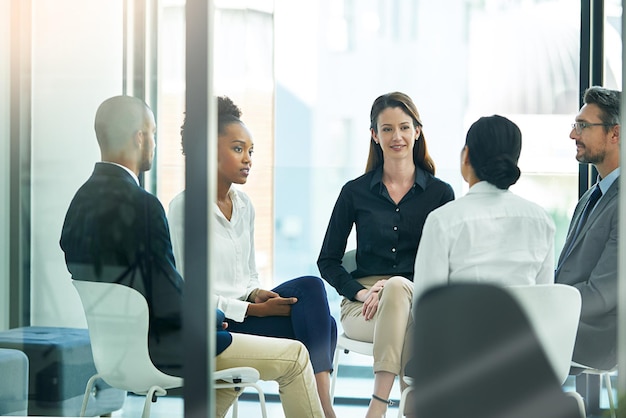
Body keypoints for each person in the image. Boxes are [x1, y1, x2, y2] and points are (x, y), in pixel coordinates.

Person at [60, 95, 325, 418]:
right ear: (139, 137)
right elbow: (172, 293)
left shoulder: (79, 204)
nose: (155, 144)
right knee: (296, 357)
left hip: (115, 353)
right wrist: (216, 318)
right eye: (153, 133)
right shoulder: (144, 206)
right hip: (167, 349)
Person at [168, 96, 338, 418]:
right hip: (219, 323)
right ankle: (325, 411)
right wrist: (253, 310)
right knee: (324, 325)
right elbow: (187, 292)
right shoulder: (185, 209)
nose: (247, 159)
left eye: (250, 151)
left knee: (311, 288)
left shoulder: (245, 206)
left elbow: (248, 275)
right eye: (237, 149)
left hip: (247, 314)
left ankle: (324, 408)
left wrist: (257, 293)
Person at [317, 91, 455, 418]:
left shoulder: (440, 193)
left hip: (416, 300)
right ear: (374, 135)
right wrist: (363, 291)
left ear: (417, 132)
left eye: (404, 127)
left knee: (397, 290)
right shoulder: (354, 192)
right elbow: (327, 260)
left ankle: (377, 407)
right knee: (405, 317)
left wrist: (395, 285)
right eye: (388, 129)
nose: (397, 136)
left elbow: (447, 261)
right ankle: (411, 407)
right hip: (363, 308)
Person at [413, 114, 555, 301]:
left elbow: (425, 308)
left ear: (466, 156)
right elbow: (545, 301)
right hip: (523, 330)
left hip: (461, 330)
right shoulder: (542, 220)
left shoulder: (443, 220)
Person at [556, 86, 620, 371]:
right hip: (568, 324)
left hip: (598, 338)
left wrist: (544, 308)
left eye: (583, 126)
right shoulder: (591, 197)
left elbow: (604, 295)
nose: (573, 135)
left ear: (615, 134)